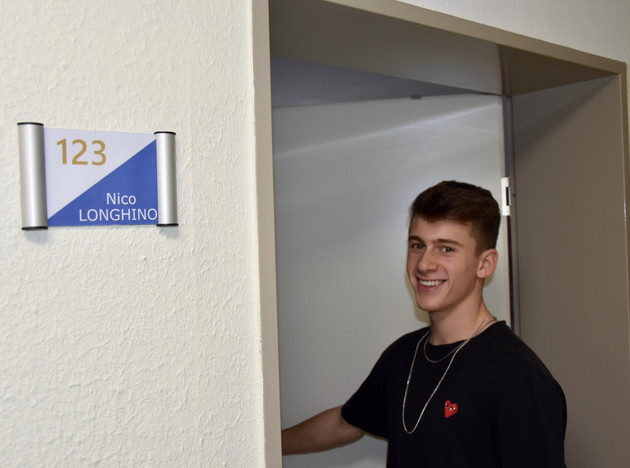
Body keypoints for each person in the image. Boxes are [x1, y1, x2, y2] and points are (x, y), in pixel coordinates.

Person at [281, 180, 567, 467]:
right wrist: (263, 441)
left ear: (485, 264)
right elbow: (345, 424)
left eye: (446, 249)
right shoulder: (402, 356)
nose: (424, 264)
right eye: (418, 245)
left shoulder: (520, 379)